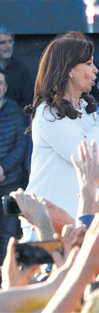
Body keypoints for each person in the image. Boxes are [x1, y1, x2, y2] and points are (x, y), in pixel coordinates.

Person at [24, 32, 99, 221]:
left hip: (80, 213)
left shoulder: (85, 108)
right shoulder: (47, 112)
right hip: (49, 217)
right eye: (89, 64)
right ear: (69, 70)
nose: (95, 70)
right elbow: (86, 156)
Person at [0, 68, 29, 263]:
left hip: (9, 183)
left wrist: (2, 169)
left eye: (0, 82)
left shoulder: (16, 112)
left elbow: (21, 145)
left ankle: (5, 279)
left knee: (8, 235)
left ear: (6, 87)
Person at [0, 26, 34, 110]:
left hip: (16, 119)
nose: (8, 46)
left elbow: (28, 98)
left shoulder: (22, 69)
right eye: (3, 43)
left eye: (10, 41)